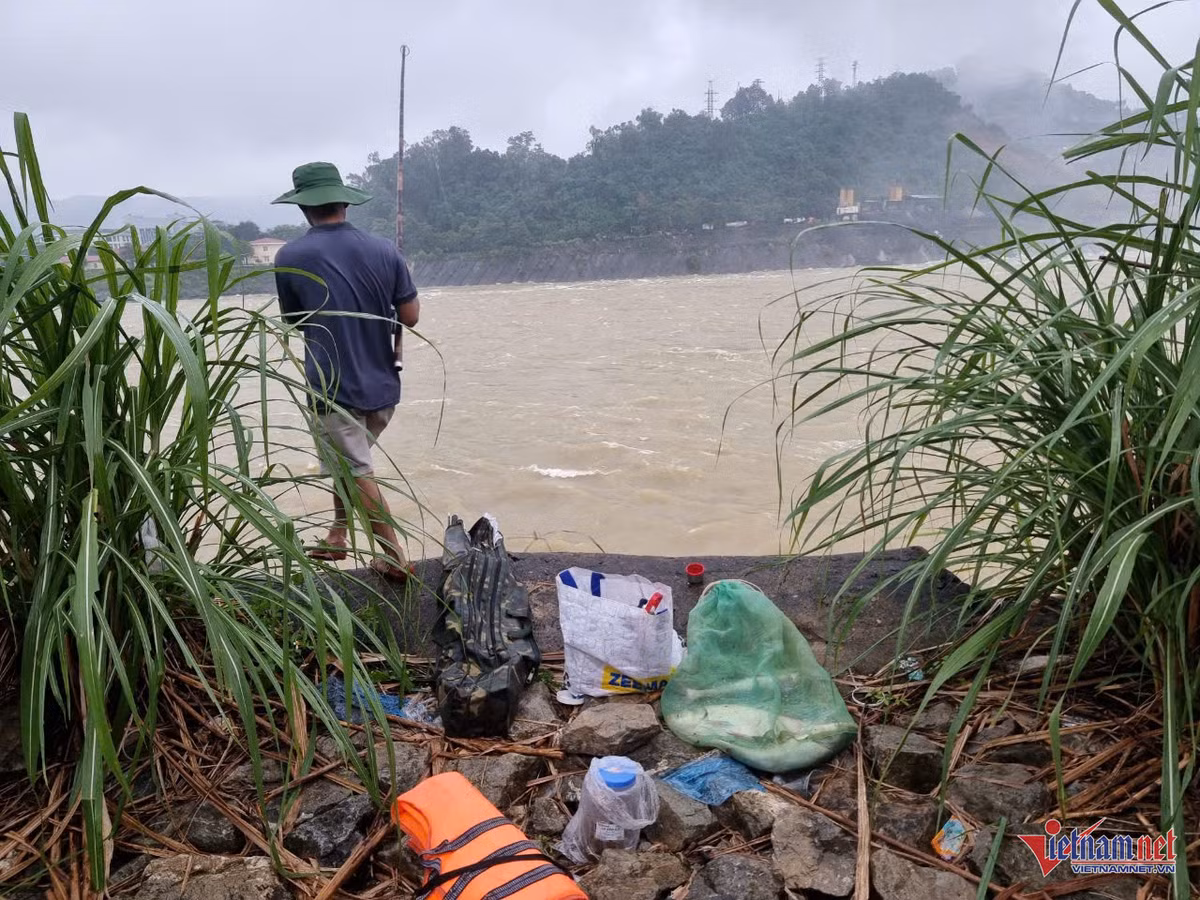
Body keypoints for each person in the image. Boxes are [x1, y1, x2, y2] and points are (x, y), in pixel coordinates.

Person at [272, 161, 419, 580]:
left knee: (354, 469)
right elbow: (410, 317)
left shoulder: (291, 256)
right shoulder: (385, 251)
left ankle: (392, 556)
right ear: (343, 202)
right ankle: (338, 535)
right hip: (384, 387)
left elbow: (295, 321)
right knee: (350, 461)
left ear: (303, 208)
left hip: (331, 387)